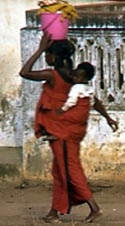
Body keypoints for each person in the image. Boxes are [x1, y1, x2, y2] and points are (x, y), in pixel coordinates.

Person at [19, 32, 118, 223]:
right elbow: (92, 99)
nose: (46, 57)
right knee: (59, 170)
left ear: (53, 57)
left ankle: (94, 208)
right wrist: (107, 118)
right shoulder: (74, 77)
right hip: (66, 132)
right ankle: (54, 212)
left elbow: (24, 72)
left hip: (61, 132)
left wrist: (39, 49)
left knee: (70, 170)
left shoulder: (54, 75)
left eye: (48, 54)